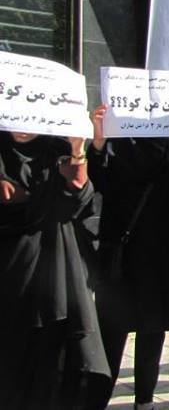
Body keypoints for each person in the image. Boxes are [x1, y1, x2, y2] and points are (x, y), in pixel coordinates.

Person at [84, 105, 169, 410]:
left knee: (153, 329)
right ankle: (97, 399)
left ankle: (145, 400)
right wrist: (97, 142)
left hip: (159, 250)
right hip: (122, 250)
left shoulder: (168, 140)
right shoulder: (118, 137)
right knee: (112, 331)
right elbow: (97, 181)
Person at [0, 130, 110, 408]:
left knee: (51, 368)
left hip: (55, 275)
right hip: (8, 281)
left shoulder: (58, 150)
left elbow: (78, 203)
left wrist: (77, 151)